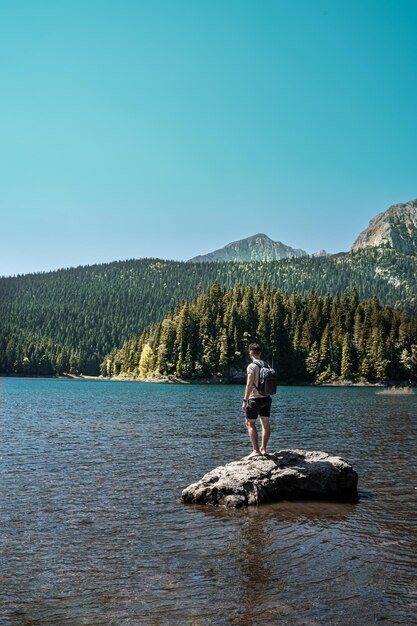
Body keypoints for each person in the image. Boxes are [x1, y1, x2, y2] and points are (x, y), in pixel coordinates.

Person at [242, 343, 272, 458]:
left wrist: (245, 400)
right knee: (265, 423)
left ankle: (255, 451)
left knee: (250, 423)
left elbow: (249, 385)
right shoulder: (267, 365)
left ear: (250, 353)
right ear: (260, 353)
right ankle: (263, 449)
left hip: (255, 399)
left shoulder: (251, 366)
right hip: (267, 398)